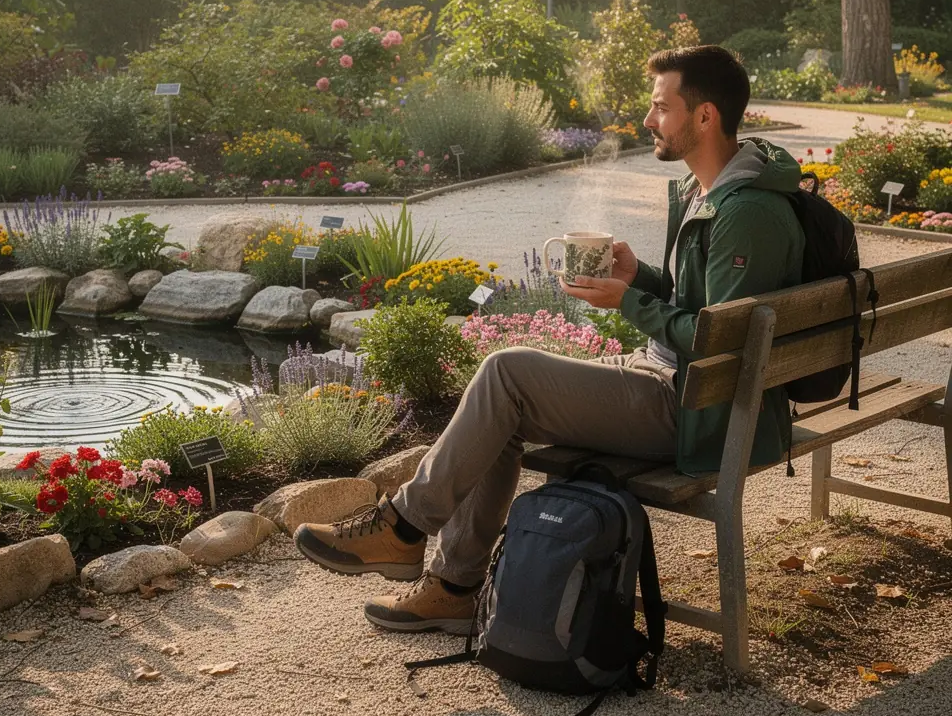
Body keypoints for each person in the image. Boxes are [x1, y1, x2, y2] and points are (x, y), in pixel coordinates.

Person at [294, 45, 806, 635]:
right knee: (504, 399)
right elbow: (707, 308)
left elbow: (723, 343)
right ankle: (454, 586)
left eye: (660, 107)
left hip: (696, 411)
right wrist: (639, 276)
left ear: (706, 117)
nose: (646, 120)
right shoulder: (712, 190)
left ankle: (404, 528)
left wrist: (628, 303)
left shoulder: (746, 213)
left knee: (508, 373)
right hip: (674, 383)